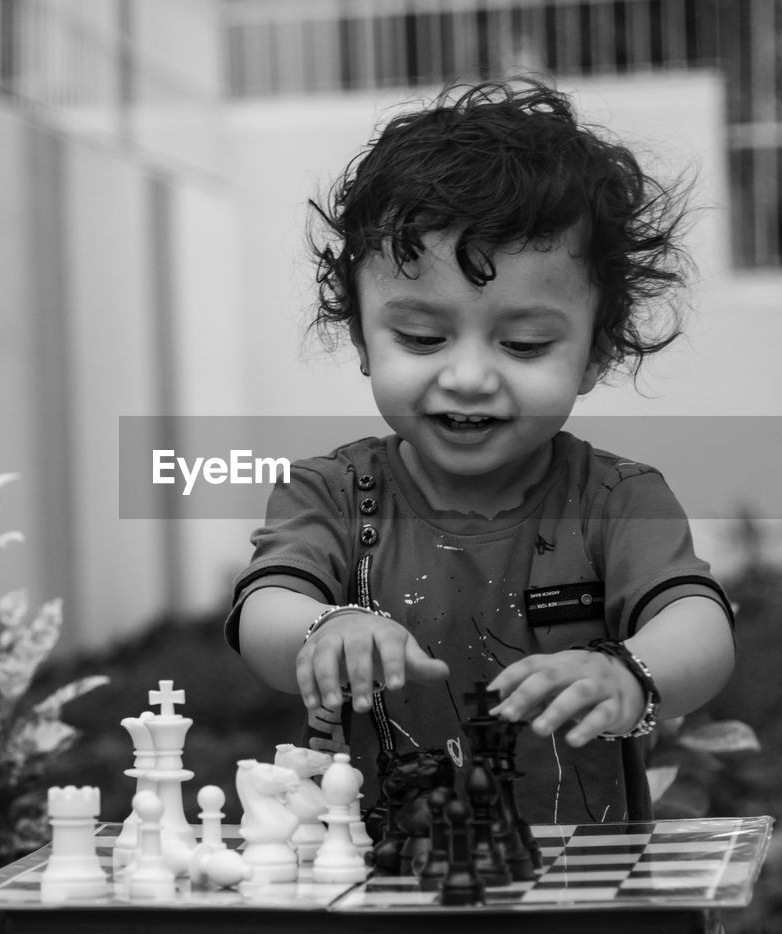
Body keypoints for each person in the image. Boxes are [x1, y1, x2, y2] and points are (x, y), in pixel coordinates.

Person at [224, 78, 735, 825]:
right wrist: (323, 627)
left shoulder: (618, 500)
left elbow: (700, 626)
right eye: (423, 338)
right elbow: (264, 612)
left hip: (582, 885)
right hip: (376, 878)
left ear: (596, 351)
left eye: (524, 343)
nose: (467, 377)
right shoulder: (331, 493)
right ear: (363, 340)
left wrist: (632, 671)